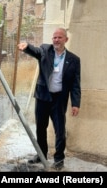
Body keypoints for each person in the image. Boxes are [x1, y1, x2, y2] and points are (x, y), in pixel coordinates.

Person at [17, 28, 81, 170]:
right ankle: (41, 155)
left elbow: (75, 84)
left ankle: (59, 160)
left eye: (59, 37)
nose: (56, 40)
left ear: (66, 39)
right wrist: (26, 47)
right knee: (41, 128)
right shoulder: (45, 50)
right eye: (54, 37)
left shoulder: (74, 60)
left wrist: (75, 103)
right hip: (43, 97)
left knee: (60, 130)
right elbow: (35, 51)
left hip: (59, 100)